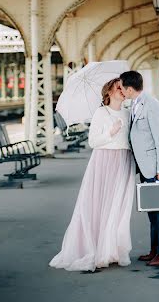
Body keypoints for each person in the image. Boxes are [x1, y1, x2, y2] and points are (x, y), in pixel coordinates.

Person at [49, 78, 135, 272]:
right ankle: (97, 250)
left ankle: (111, 249)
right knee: (99, 205)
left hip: (123, 162)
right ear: (109, 92)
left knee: (118, 207)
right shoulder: (100, 113)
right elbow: (93, 142)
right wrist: (111, 133)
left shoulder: (128, 113)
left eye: (123, 87)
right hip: (103, 162)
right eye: (118, 87)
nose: (122, 90)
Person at [120, 70, 159, 267]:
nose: (121, 90)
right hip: (145, 168)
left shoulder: (151, 105)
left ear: (129, 89)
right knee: (152, 210)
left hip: (155, 168)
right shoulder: (135, 104)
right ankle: (155, 250)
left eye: (121, 87)